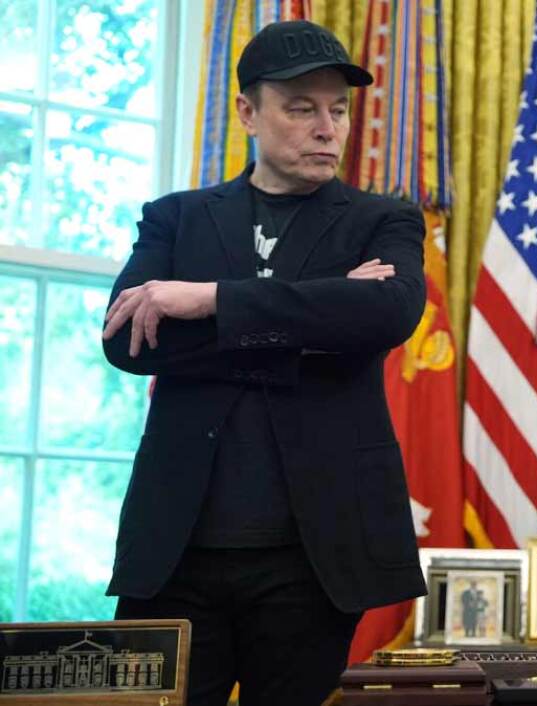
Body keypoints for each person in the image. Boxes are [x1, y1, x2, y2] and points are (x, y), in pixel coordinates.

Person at [101, 20, 426, 706]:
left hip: (317, 553)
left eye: (338, 110)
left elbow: (388, 314)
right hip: (177, 548)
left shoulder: (383, 221)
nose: (327, 129)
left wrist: (210, 300)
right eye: (302, 108)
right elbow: (129, 342)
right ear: (248, 112)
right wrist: (319, 314)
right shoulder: (175, 218)